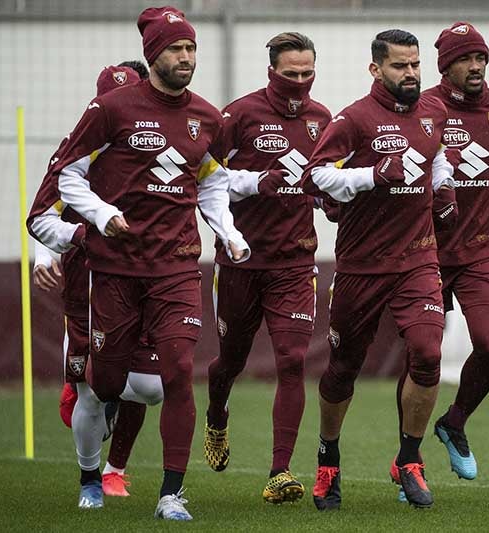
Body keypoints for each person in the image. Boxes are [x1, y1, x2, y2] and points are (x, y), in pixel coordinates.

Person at [48, 6, 249, 521]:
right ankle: (91, 476)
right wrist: (101, 214)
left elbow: (212, 181)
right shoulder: (110, 110)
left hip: (179, 267)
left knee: (179, 372)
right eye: (175, 48)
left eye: (191, 48)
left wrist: (226, 232)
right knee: (106, 384)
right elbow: (66, 177)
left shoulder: (208, 118)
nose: (186, 57)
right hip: (114, 269)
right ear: (152, 53)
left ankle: (171, 495)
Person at [300, 29, 457, 510]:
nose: (410, 74)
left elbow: (435, 160)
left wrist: (445, 186)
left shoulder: (434, 111)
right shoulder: (353, 119)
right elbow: (314, 175)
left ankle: (409, 458)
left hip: (418, 259)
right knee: (344, 367)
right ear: (375, 69)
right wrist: (370, 175)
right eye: (399, 66)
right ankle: (328, 459)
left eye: (415, 65)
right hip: (361, 265)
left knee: (428, 352)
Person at [202, 32, 331, 504]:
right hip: (241, 262)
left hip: (296, 264)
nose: (299, 83)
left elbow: (324, 180)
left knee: (293, 361)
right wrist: (258, 183)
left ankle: (280, 471)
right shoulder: (239, 116)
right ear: (271, 72)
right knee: (230, 362)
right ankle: (217, 413)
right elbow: (205, 178)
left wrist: (329, 200)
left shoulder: (323, 120)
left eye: (307, 74)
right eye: (290, 74)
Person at [30, 62, 161, 500]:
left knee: (150, 388)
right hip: (87, 290)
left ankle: (115, 454)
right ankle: (93, 480)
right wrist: (48, 251)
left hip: (149, 282)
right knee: (88, 393)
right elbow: (44, 213)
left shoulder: (163, 143)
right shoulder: (76, 149)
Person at [422, 21, 489, 482]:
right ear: (446, 66)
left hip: (482, 249)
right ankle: (409, 460)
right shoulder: (425, 107)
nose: (476, 66)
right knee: (421, 358)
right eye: (465, 59)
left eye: (480, 57)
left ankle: (455, 422)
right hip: (424, 252)